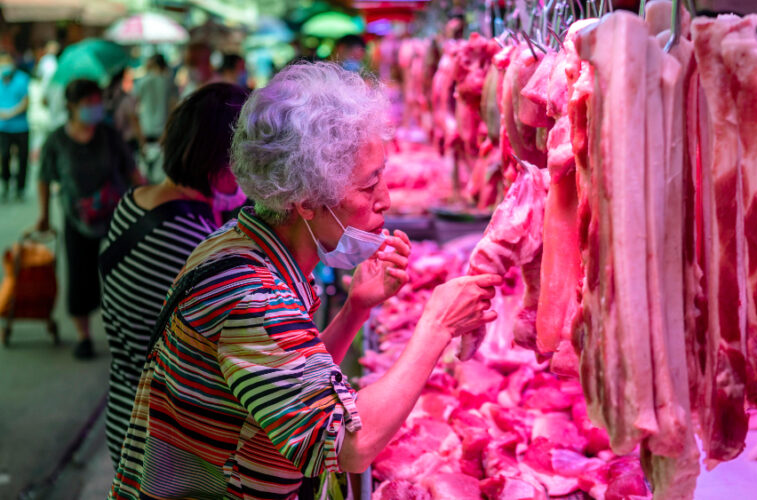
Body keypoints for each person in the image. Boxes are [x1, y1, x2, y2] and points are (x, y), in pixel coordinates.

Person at [109, 62, 500, 499]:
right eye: (369, 185)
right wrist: (436, 327)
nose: (386, 198)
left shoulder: (237, 241)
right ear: (307, 201)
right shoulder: (254, 297)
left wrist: (356, 308)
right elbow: (347, 444)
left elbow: (290, 384)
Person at [100, 82, 249, 468]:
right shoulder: (192, 242)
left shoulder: (132, 203)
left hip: (126, 411)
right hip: (163, 439)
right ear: (219, 161)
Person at [36, 79, 144, 359]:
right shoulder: (57, 140)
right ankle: (84, 336)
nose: (95, 108)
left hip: (118, 217)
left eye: (98, 102)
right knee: (80, 277)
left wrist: (150, 199)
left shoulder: (109, 134)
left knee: (124, 276)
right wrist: (44, 215)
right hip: (77, 219)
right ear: (71, 106)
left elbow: (131, 171)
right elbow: (44, 178)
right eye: (89, 103)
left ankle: (129, 333)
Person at [0, 51, 31, 201]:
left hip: (21, 126)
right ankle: (5, 182)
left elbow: (26, 102)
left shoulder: (22, 78)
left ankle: (20, 188)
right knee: (4, 156)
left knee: (22, 157)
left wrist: (10, 112)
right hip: (3, 127)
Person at [104, 68, 144, 158]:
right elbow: (134, 121)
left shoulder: (105, 94)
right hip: (127, 142)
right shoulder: (126, 98)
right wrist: (142, 143)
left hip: (110, 140)